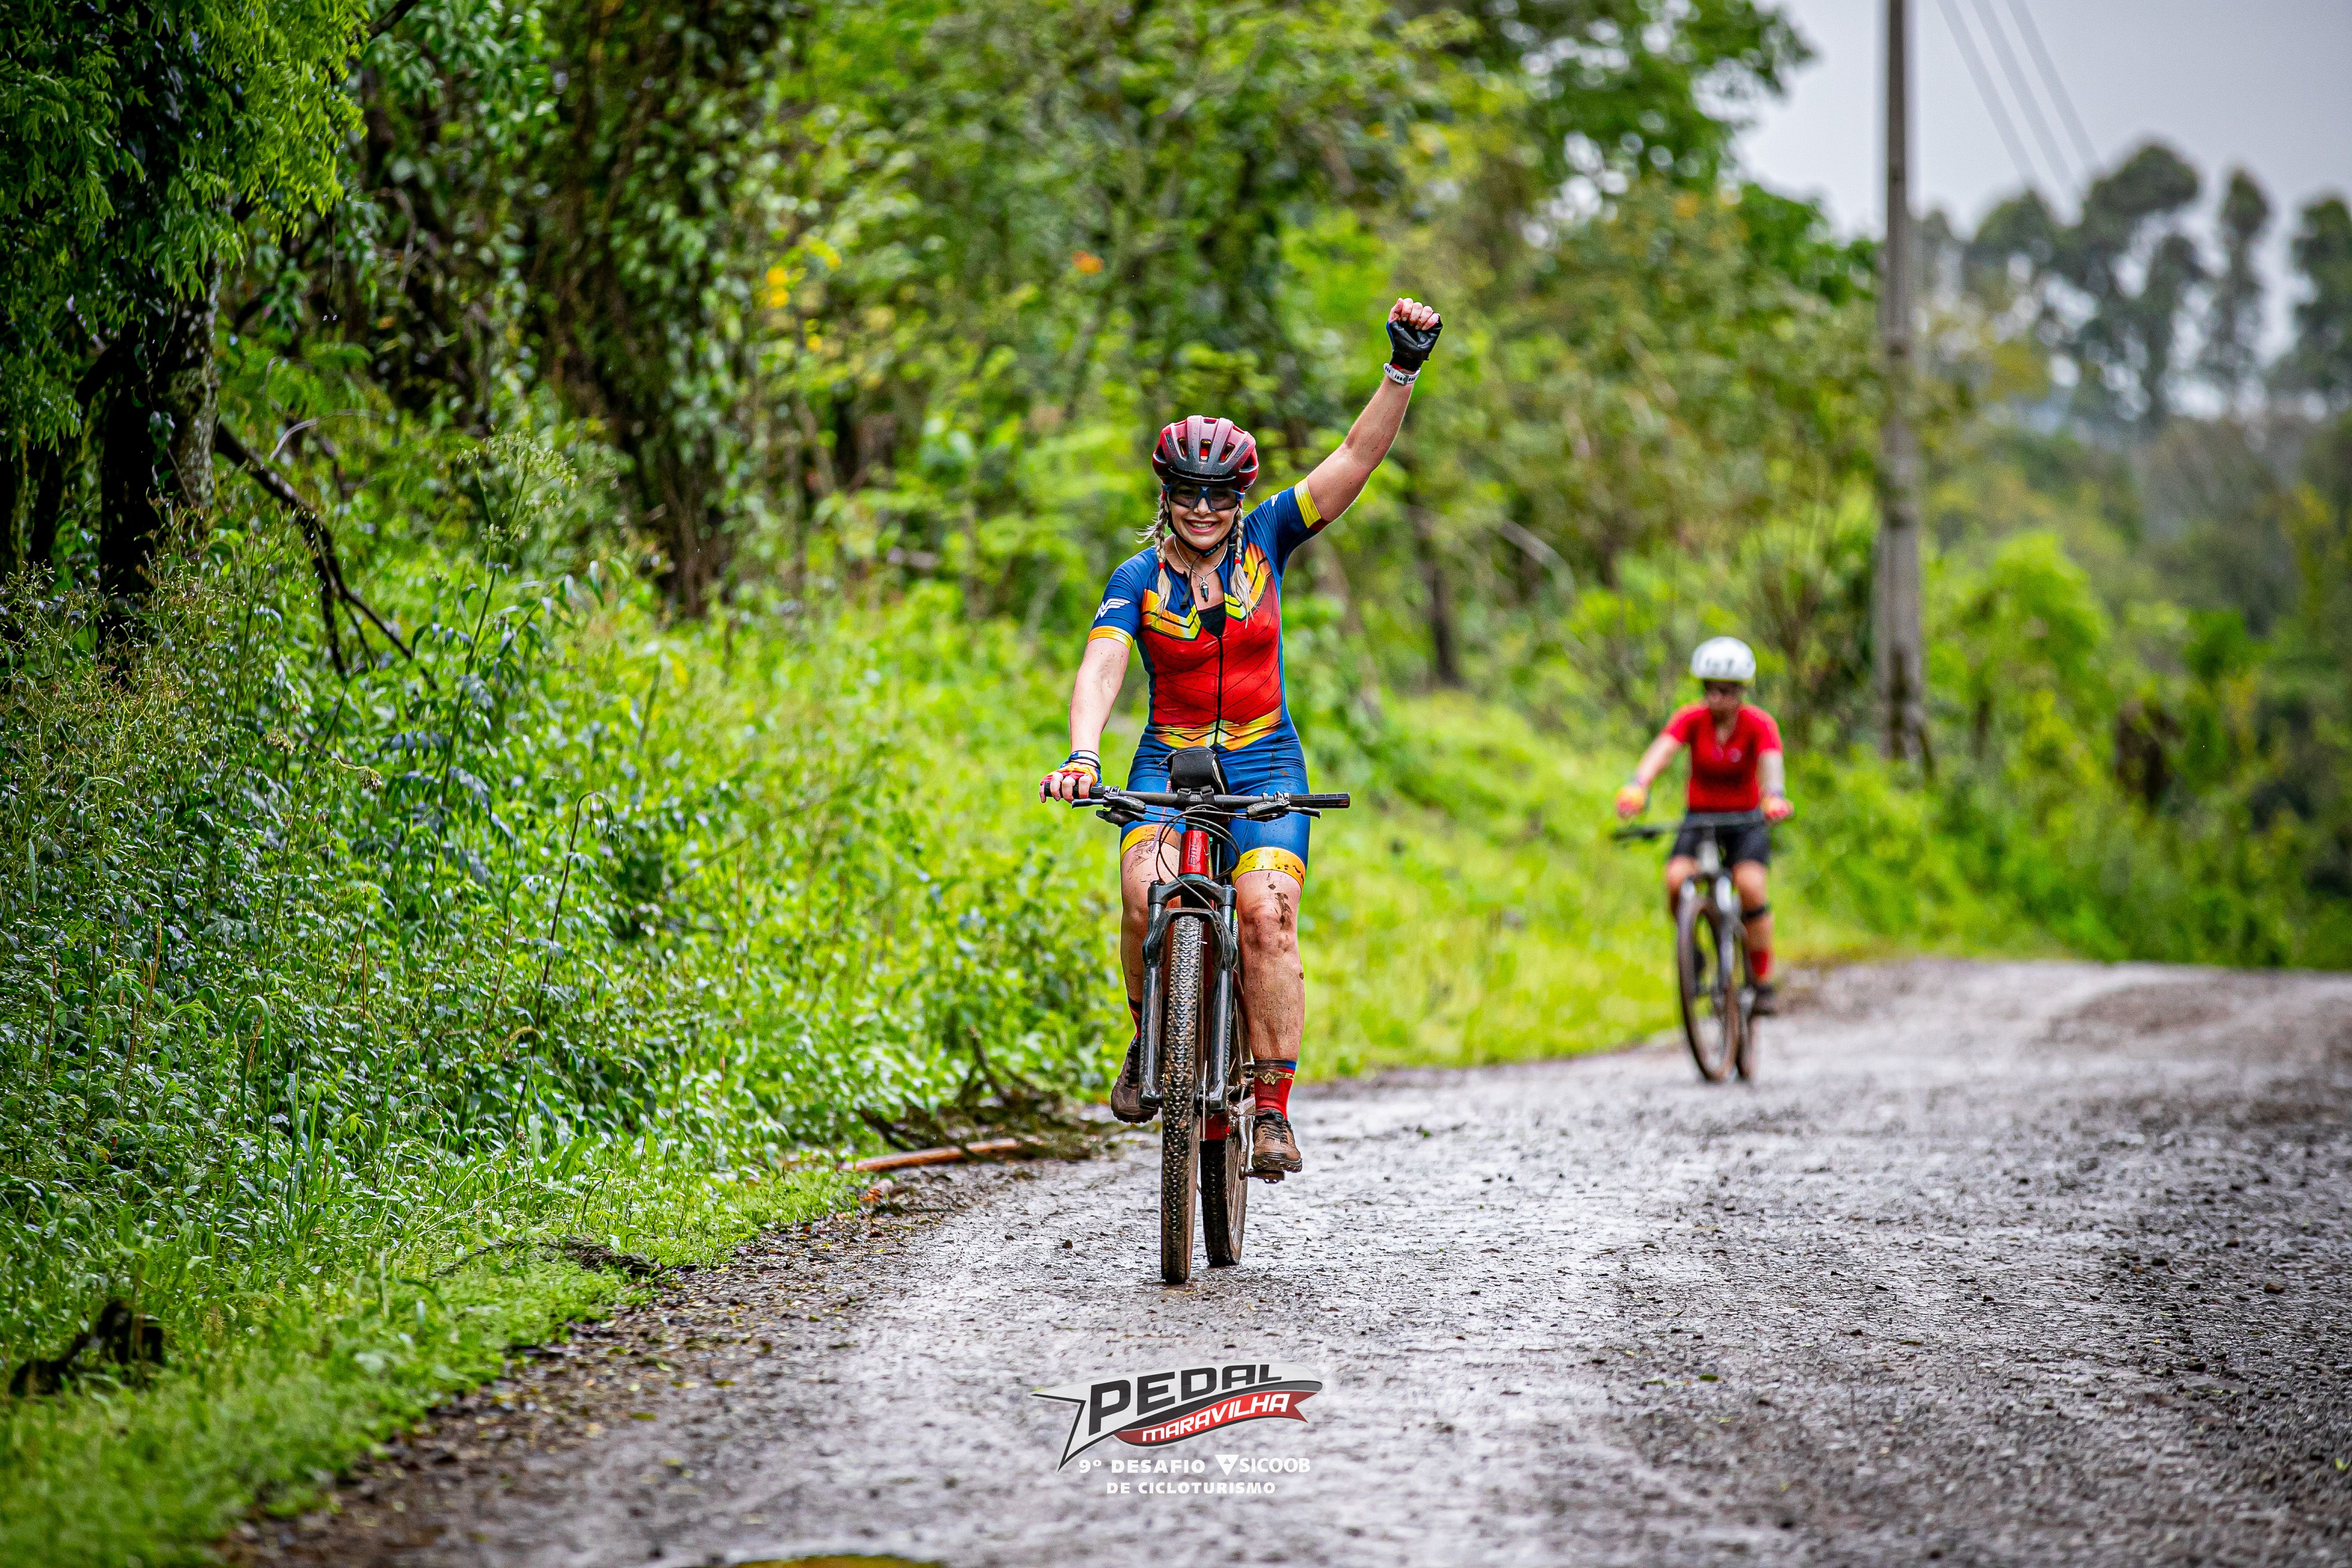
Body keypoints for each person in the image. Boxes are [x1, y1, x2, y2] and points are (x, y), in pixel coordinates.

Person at [1040, 297, 1443, 1178]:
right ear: (1166, 495)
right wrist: (1084, 754)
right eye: (1187, 492)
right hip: (1168, 761)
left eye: (1218, 493)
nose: (1202, 508)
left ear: (1239, 498)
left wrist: (1401, 370)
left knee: (1267, 916)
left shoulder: (1269, 539)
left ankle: (1271, 1111)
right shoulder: (1137, 576)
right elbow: (1103, 664)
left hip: (1266, 760)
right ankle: (1151, 1039)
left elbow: (1354, 459)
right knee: (1142, 896)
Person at [1614, 637, 1794, 1015]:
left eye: (1727, 691)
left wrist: (1774, 796)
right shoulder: (1691, 719)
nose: (1717, 698)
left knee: (1751, 885)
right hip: (1699, 817)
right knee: (1675, 879)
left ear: (1741, 691)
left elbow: (1771, 763)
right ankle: (1692, 950)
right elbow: (1663, 750)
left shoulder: (1759, 724)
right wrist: (1638, 785)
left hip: (1746, 820)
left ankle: (1761, 980)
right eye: (1710, 689)